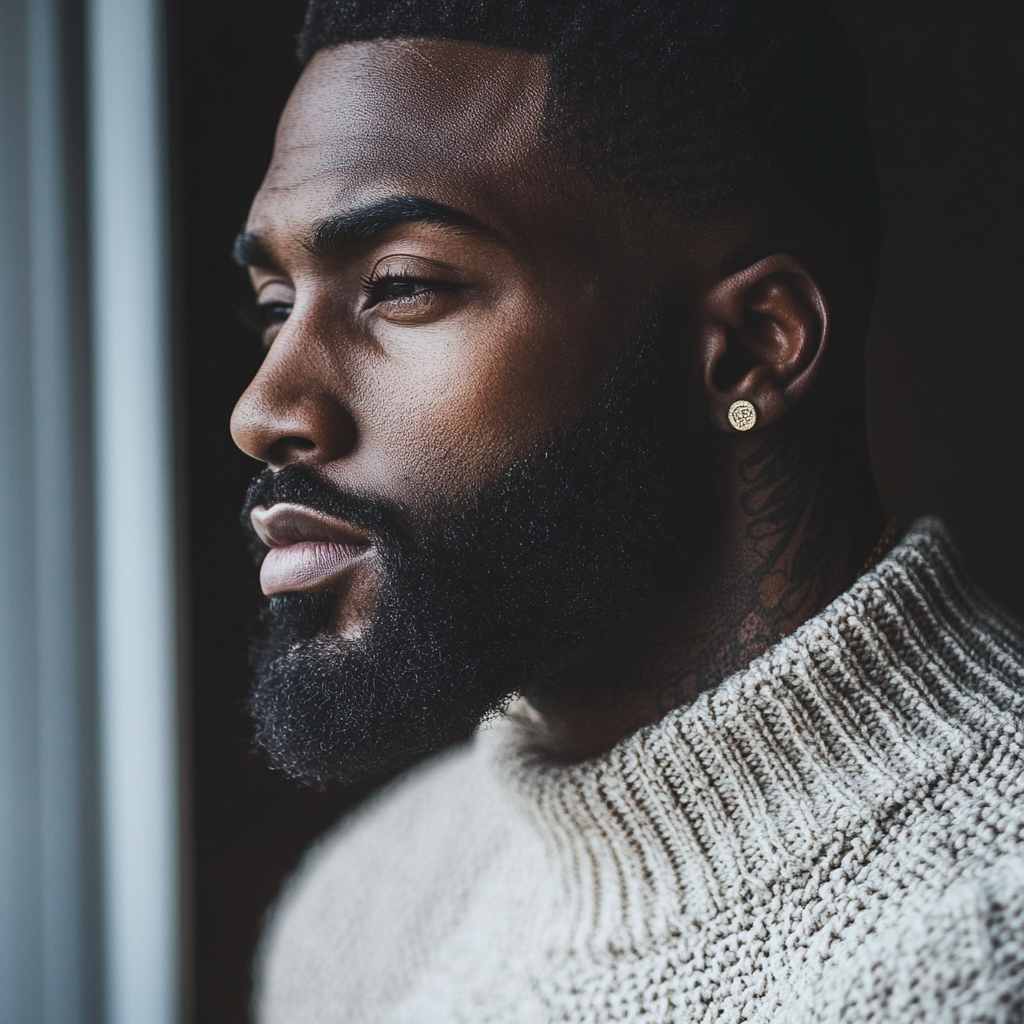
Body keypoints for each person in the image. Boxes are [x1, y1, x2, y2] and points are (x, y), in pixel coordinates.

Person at [229, 0, 1024, 1020]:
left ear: (749, 349)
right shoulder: (366, 909)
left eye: (402, 286)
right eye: (271, 307)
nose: (264, 410)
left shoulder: (979, 947)